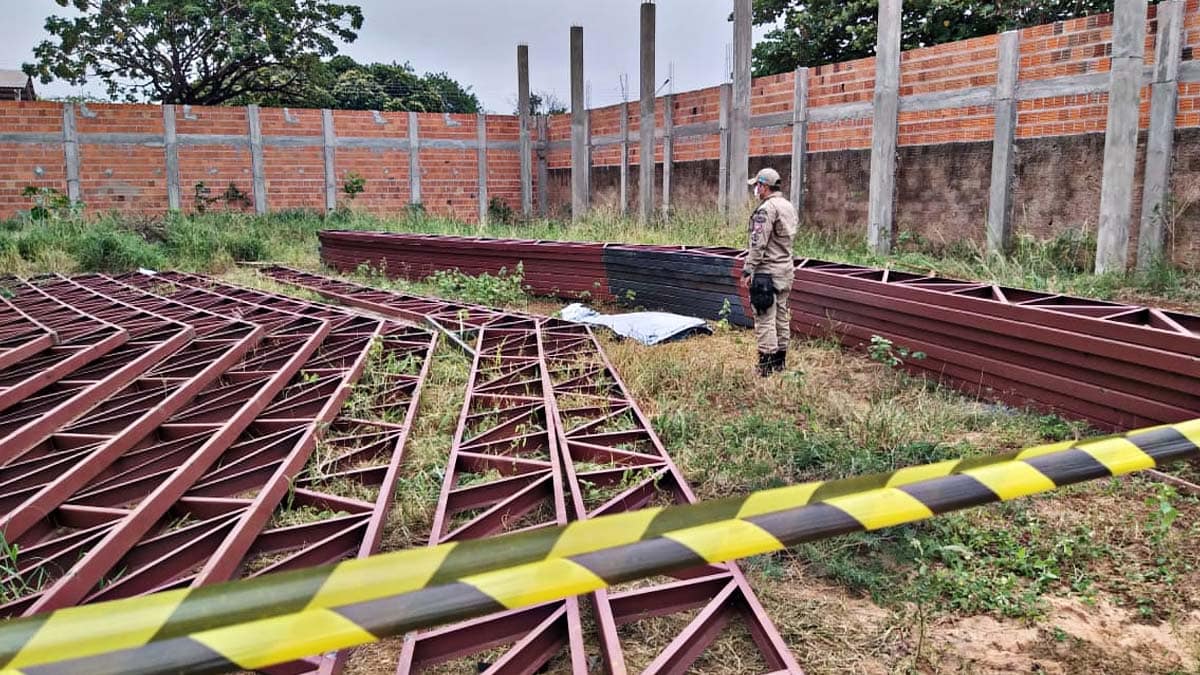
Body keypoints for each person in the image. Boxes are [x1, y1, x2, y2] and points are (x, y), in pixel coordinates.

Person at [739, 167, 798, 377]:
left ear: (764, 186)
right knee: (781, 316)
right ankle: (780, 362)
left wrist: (747, 270)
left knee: (764, 317)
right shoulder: (787, 206)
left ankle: (765, 367)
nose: (755, 189)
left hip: (767, 274)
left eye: (757, 185)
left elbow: (758, 244)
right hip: (785, 271)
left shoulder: (766, 209)